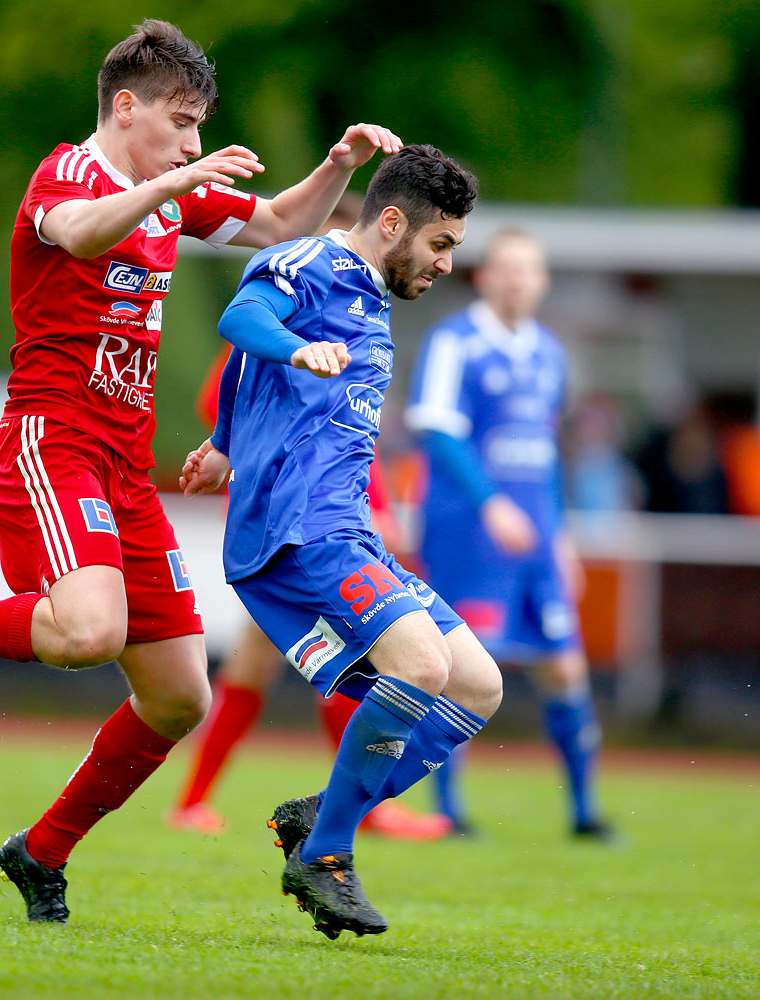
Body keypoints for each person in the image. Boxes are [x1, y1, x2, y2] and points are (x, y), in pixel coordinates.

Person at [0, 18, 402, 924]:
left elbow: (276, 222)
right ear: (125, 106)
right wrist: (180, 180)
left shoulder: (162, 190)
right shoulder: (71, 173)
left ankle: (40, 851)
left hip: (121, 464)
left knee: (179, 695)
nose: (192, 143)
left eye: (196, 129)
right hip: (52, 440)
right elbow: (74, 236)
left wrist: (337, 164)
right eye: (180, 123)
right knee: (86, 633)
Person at [179, 144, 498, 939]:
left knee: (477, 685)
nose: (447, 263)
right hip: (300, 531)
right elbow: (240, 320)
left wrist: (223, 441)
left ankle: (320, 817)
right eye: (440, 244)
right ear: (391, 223)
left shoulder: (370, 295)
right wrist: (292, 349)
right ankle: (325, 855)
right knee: (418, 666)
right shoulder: (312, 260)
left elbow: (249, 384)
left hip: (346, 529)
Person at [168, 342, 449, 841]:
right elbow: (219, 401)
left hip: (332, 526)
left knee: (275, 663)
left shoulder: (356, 323)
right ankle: (359, 809)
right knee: (354, 658)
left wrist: (375, 509)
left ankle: (193, 802)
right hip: (293, 528)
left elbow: (356, 441)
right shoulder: (288, 313)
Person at [404, 229, 613, 841]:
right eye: (508, 269)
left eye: (531, 270)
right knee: (464, 669)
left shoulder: (549, 351)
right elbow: (437, 431)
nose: (520, 280)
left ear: (543, 281)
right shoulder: (456, 342)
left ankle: (583, 811)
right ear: (485, 277)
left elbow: (545, 453)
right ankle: (447, 807)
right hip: (468, 535)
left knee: (564, 668)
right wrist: (490, 503)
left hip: (537, 540)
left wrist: (562, 534)